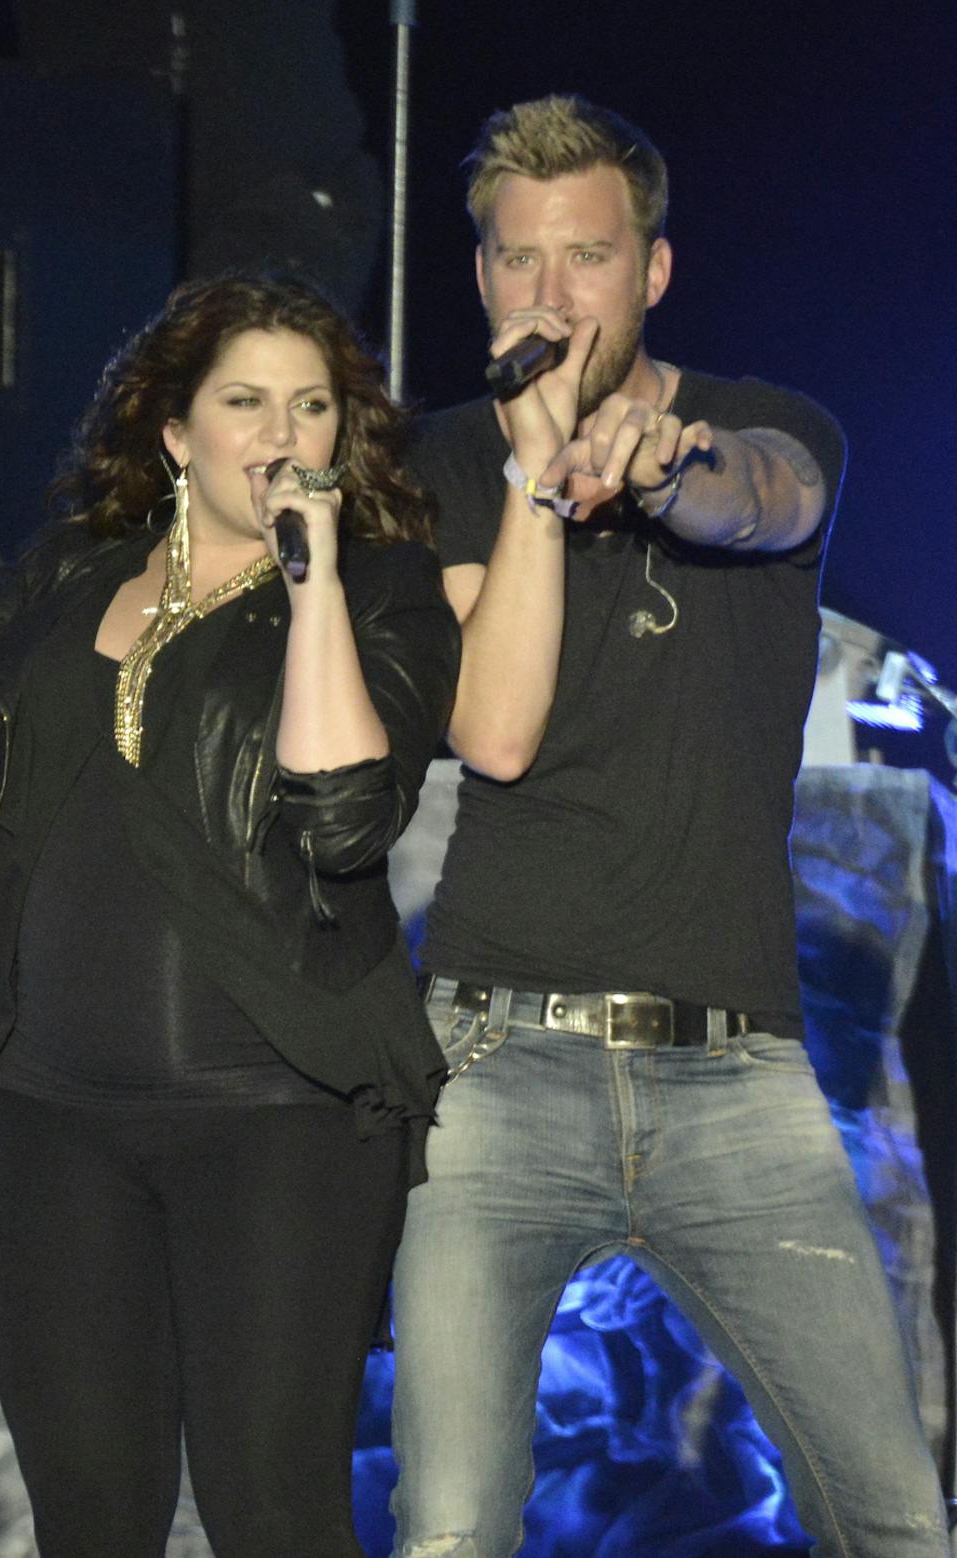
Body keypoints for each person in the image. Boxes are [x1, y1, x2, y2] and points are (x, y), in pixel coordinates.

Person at [0, 274, 458, 1556]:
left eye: (312, 406)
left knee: (271, 1513)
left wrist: (311, 574)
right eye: (246, 401)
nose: (282, 434)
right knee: (91, 1520)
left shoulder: (386, 591)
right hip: (60, 1120)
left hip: (280, 1126)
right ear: (174, 430)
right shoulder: (71, 571)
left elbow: (343, 814)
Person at [388, 96, 951, 1557]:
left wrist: (660, 469)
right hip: (494, 1067)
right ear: (481, 280)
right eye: (520, 261)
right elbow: (490, 733)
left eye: (588, 258)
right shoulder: (444, 463)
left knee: (895, 1520)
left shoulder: (770, 424)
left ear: (655, 269)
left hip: (737, 1082)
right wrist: (540, 475)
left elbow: (765, 504)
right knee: (449, 1527)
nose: (553, 296)